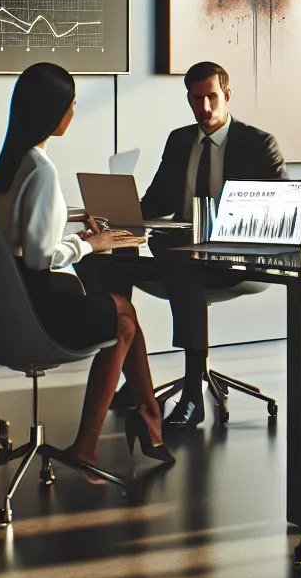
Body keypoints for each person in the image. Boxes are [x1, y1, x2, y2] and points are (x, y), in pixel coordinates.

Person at [0, 63, 172, 474]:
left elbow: (15, 238)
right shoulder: (40, 170)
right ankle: (116, 432)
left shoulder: (11, 165)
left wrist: (67, 223)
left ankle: (145, 415)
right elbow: (40, 257)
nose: (74, 108)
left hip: (11, 298)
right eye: (71, 102)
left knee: (122, 311)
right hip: (39, 308)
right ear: (56, 111)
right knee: (123, 314)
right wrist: (90, 243)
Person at [102, 61, 288, 429]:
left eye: (212, 98)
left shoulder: (258, 143)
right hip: (180, 254)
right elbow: (157, 203)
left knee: (184, 271)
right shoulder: (179, 140)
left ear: (227, 96)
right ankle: (132, 379)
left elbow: (280, 210)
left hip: (237, 259)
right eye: (196, 98)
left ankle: (192, 394)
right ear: (188, 98)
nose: (204, 108)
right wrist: (114, 216)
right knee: (113, 261)